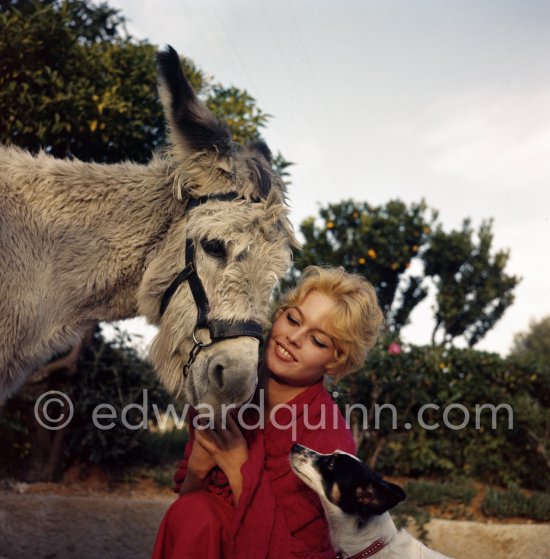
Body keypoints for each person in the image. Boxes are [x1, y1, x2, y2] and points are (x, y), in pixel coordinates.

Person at [152, 266, 383, 559]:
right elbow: (186, 512)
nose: (294, 338)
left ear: (336, 362)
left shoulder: (328, 444)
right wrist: (198, 467)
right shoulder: (227, 382)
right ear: (278, 315)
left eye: (318, 340)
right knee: (194, 513)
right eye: (293, 319)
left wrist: (239, 469)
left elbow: (298, 554)